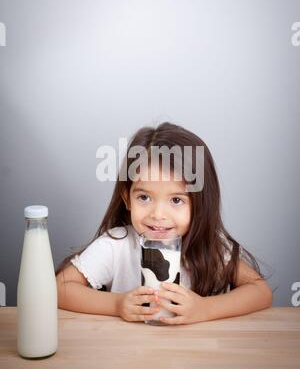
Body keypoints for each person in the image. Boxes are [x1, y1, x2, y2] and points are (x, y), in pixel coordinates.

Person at [56, 122, 272, 324]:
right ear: (126, 197)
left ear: (199, 203)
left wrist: (204, 308)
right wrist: (117, 304)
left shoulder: (209, 247)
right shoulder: (116, 245)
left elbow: (260, 292)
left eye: (176, 200)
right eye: (144, 197)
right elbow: (59, 288)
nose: (158, 214)